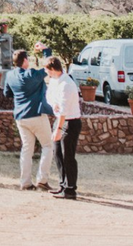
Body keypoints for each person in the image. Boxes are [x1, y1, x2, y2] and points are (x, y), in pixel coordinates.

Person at [2, 48, 54, 191]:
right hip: (36, 114)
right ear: (25, 60)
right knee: (48, 146)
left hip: (20, 116)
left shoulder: (10, 75)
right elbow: (48, 67)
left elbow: (7, 93)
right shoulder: (32, 74)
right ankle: (42, 180)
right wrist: (46, 51)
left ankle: (25, 182)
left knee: (27, 149)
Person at [45, 56, 82, 200]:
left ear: (53, 69)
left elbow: (64, 110)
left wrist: (59, 129)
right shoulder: (55, 81)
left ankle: (71, 189)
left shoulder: (66, 84)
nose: (46, 72)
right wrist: (53, 104)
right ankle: (63, 185)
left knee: (68, 157)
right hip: (60, 120)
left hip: (70, 122)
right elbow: (49, 96)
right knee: (57, 154)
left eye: (47, 69)